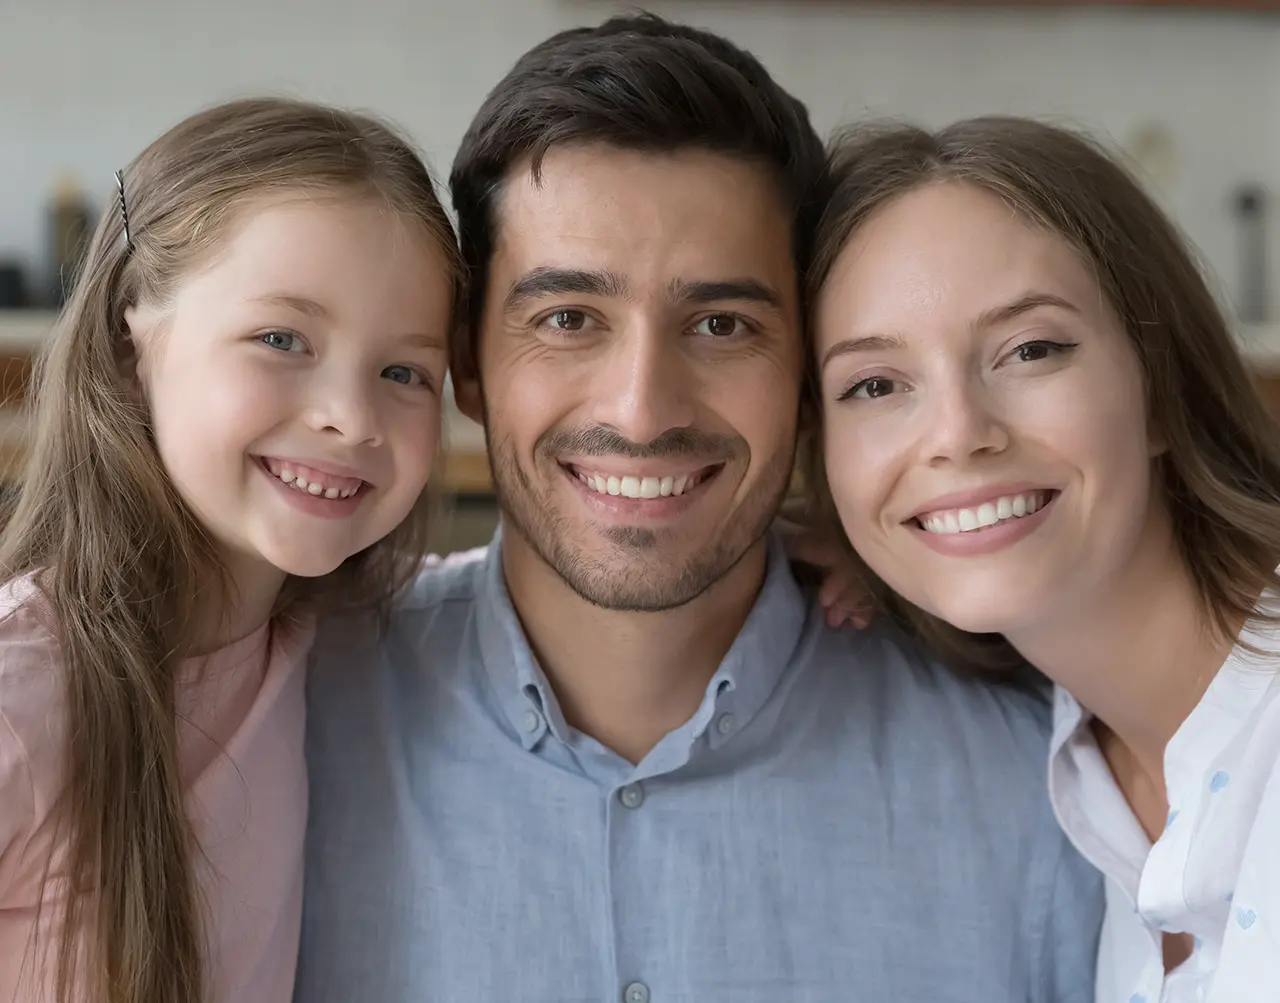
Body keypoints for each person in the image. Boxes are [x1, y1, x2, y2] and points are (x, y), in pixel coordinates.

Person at [296, 15, 1103, 1003]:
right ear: (466, 362)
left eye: (720, 324)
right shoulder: (281, 719)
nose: (641, 408)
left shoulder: (1040, 779)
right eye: (567, 319)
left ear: (807, 374)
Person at [807, 116, 1280, 1003]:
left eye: (1031, 349)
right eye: (875, 385)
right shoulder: (1076, 761)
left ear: (1157, 389)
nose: (956, 434)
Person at [0, 97, 461, 1003]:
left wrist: (817, 560)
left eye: (403, 371)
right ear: (134, 343)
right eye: (282, 339)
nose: (349, 415)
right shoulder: (26, 694)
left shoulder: (342, 628)